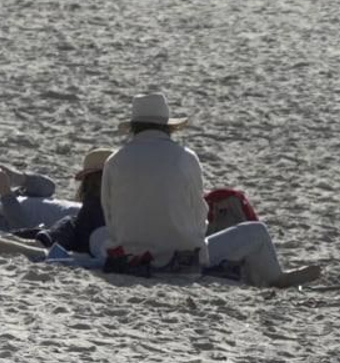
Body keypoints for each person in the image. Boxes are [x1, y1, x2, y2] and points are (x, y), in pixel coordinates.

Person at [102, 92, 320, 288]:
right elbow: (199, 215)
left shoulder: (114, 161)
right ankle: (276, 279)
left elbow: (110, 216)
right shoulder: (185, 157)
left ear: (134, 127)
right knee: (256, 232)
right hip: (179, 263)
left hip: (129, 262)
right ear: (167, 127)